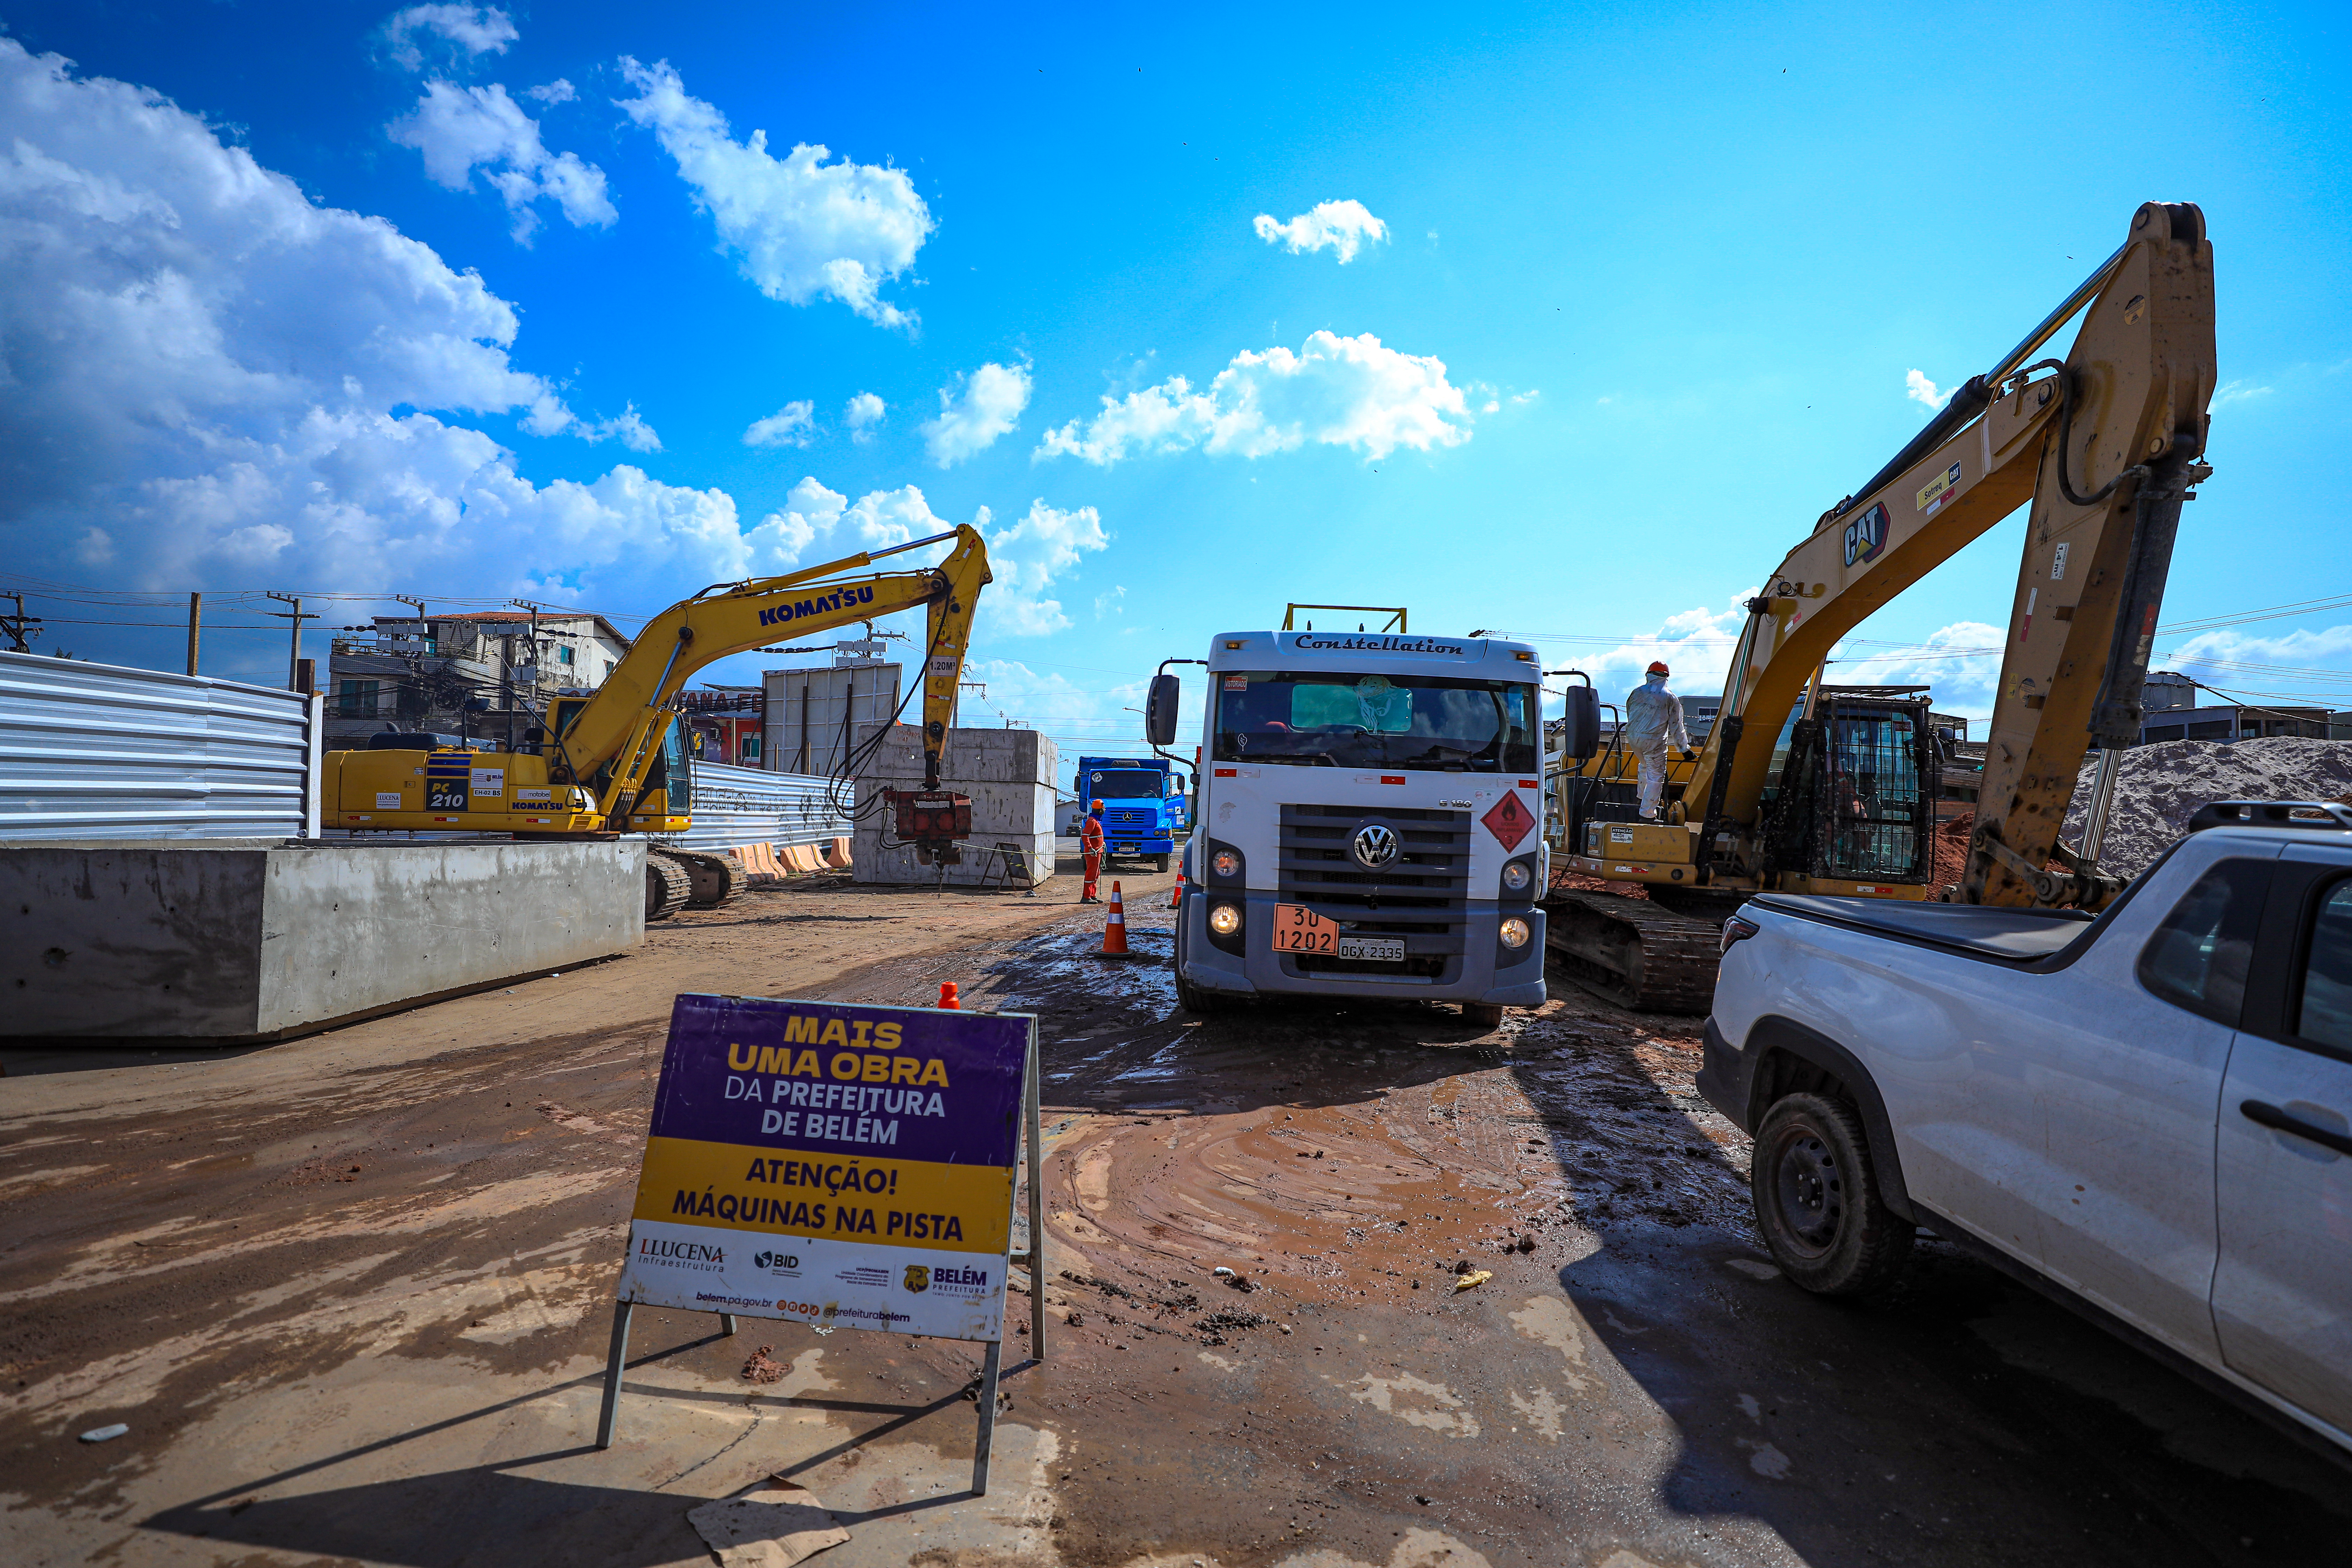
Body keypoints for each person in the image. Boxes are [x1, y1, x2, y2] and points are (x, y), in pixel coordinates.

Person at [1625, 661, 1695, 820]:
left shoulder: (1637, 693)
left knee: (1644, 766)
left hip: (1633, 737)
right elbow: (1676, 725)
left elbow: (1630, 712)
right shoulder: (1669, 697)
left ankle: (1641, 799)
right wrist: (1684, 749)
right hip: (1653, 741)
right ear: (1666, 677)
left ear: (1648, 675)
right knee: (1656, 777)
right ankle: (1647, 814)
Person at [1079, 798, 1106, 903]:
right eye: (1103, 808)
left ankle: (1092, 895)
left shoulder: (1096, 821)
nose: (1104, 810)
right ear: (1099, 810)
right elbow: (1085, 836)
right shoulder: (1092, 821)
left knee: (1096, 874)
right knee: (1091, 874)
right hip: (1092, 853)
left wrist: (1102, 844)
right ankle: (1086, 897)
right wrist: (1090, 848)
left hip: (1098, 852)